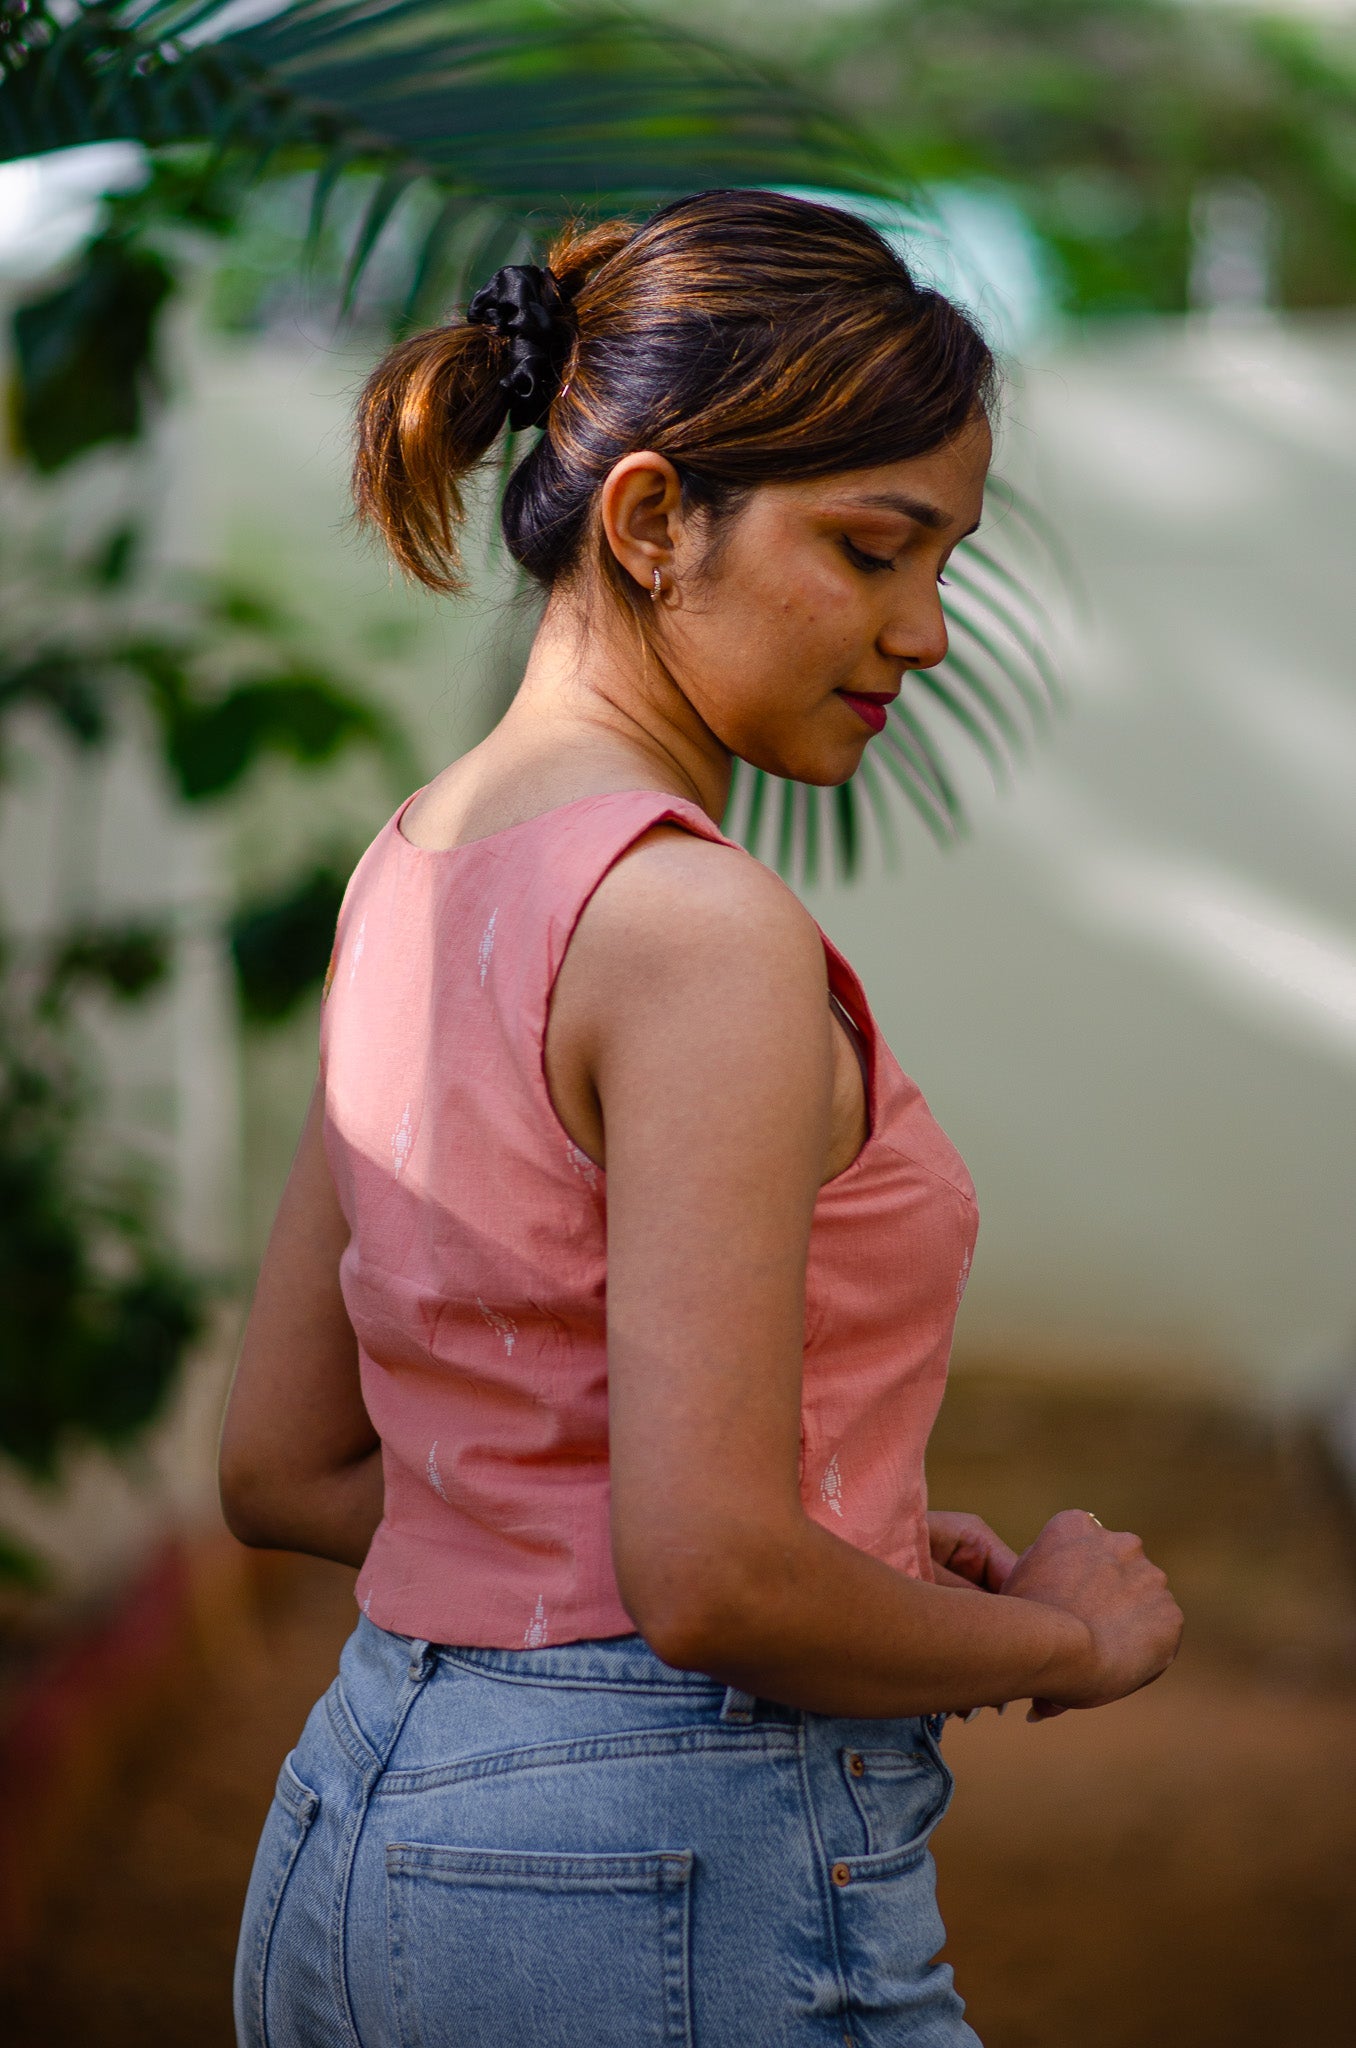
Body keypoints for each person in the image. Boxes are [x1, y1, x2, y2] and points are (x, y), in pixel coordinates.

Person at [221, 189, 1182, 2048]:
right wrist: (1073, 1638)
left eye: (947, 564)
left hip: (354, 1834)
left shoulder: (412, 873)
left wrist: (856, 1565)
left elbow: (285, 1467)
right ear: (656, 518)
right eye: (874, 547)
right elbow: (714, 1577)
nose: (925, 630)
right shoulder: (695, 932)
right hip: (652, 1867)